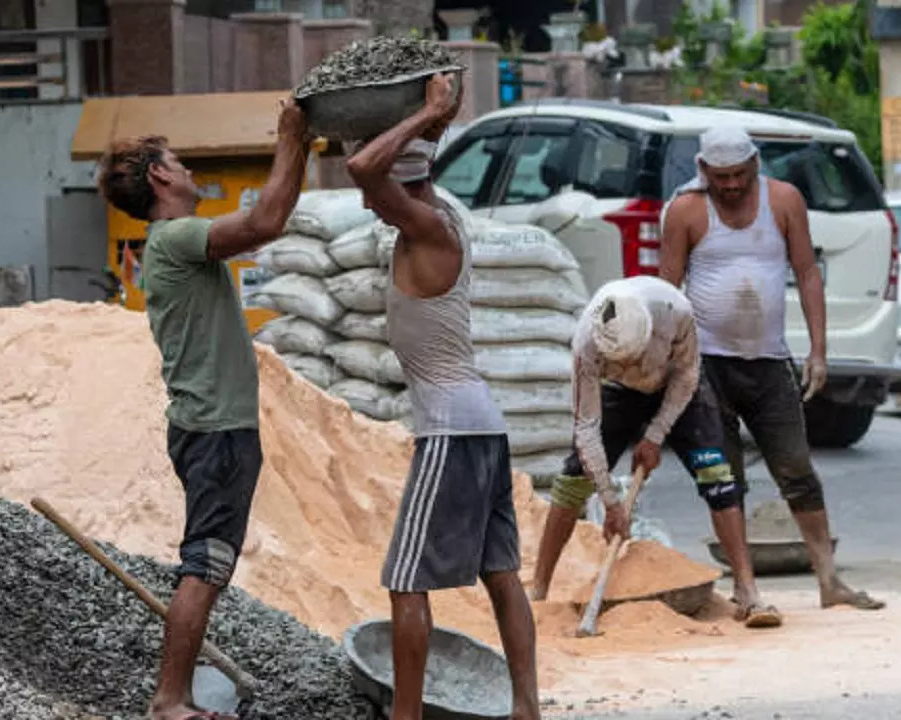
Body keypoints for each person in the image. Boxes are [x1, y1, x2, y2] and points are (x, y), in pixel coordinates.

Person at [97, 98, 311, 720]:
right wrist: (292, 137)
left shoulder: (175, 244)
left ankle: (176, 696)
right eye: (180, 163)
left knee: (210, 562)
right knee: (206, 564)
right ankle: (170, 701)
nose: (189, 172)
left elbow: (269, 216)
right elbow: (267, 220)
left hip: (217, 429)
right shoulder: (176, 238)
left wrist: (298, 145)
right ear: (161, 178)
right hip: (214, 433)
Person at [346, 73, 542, 720]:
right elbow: (376, 173)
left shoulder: (429, 227)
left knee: (406, 581)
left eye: (384, 199)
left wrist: (427, 113)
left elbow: (362, 169)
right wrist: (428, 125)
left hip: (452, 431)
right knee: (500, 572)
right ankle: (526, 708)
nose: (372, 209)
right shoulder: (441, 215)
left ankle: (405, 715)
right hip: (480, 426)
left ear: (406, 189)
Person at [659, 125, 884, 612]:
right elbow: (668, 290)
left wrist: (818, 351)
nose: (733, 185)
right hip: (707, 364)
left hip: (768, 359)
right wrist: (670, 366)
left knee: (797, 469)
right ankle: (746, 588)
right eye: (722, 177)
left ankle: (829, 579)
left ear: (756, 165)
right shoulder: (686, 211)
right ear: (704, 171)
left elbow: (806, 272)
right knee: (722, 477)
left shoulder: (783, 201)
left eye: (740, 174)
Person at [530, 275, 782, 628]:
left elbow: (687, 377)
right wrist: (610, 502)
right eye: (618, 362)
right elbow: (586, 429)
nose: (629, 368)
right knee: (573, 478)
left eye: (632, 360)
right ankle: (539, 588)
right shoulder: (585, 344)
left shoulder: (675, 311)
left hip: (679, 389)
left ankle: (747, 590)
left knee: (717, 475)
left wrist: (655, 434)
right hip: (620, 395)